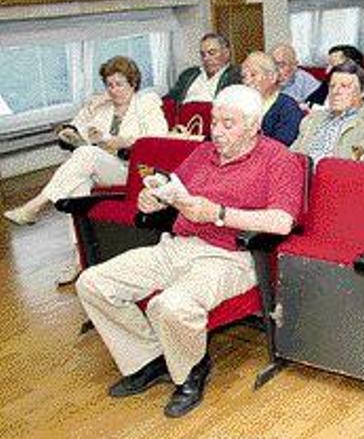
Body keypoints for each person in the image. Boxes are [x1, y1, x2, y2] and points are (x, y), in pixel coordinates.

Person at [75, 84, 304, 418]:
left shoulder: (279, 160)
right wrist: (153, 200)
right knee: (93, 282)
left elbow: (282, 222)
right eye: (215, 122)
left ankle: (190, 371)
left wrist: (219, 214)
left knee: (170, 306)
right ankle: (149, 359)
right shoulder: (203, 153)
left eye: (229, 124)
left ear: (255, 126)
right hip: (178, 245)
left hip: (231, 256)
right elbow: (174, 190)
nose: (217, 131)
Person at [4, 56, 167, 226]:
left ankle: (33, 207)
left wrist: (122, 141)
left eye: (119, 84)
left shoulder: (146, 103)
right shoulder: (104, 107)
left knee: (85, 155)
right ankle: (82, 245)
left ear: (133, 84)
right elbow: (76, 126)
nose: (113, 90)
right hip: (102, 166)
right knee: (78, 185)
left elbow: (157, 138)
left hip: (133, 169)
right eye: (109, 85)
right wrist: (92, 107)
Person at [292, 60, 364, 161]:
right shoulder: (313, 118)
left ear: (363, 91)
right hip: (300, 173)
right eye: (332, 86)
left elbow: (361, 164)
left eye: (345, 86)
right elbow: (292, 155)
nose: (335, 92)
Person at [240, 51, 304, 146]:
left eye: (253, 75)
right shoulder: (238, 103)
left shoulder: (288, 107)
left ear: (272, 77)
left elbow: (280, 146)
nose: (247, 82)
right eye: (244, 76)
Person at [165, 33, 242, 104]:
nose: (206, 58)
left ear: (226, 53)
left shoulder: (236, 76)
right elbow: (169, 99)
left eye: (211, 53)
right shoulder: (189, 74)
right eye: (203, 54)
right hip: (183, 115)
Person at [305, 45, 364, 109]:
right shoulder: (328, 83)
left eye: (334, 65)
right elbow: (308, 103)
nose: (327, 70)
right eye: (328, 65)